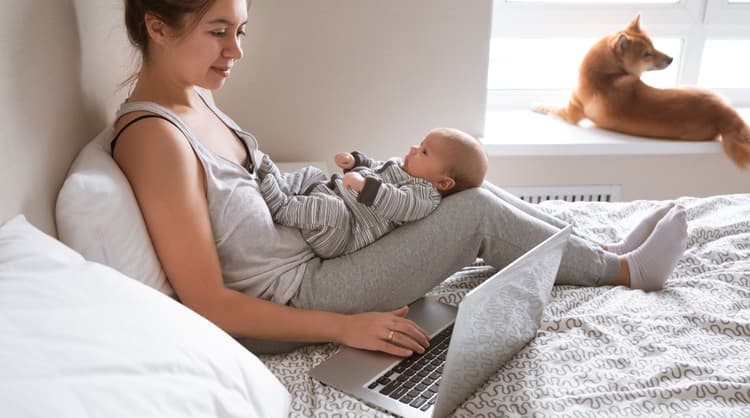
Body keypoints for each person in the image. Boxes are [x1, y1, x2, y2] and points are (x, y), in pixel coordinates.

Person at [111, 0, 688, 357]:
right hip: (300, 294)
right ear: (158, 27)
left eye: (242, 31)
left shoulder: (197, 101)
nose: (235, 51)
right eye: (218, 32)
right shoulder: (154, 139)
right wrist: (343, 328)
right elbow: (208, 302)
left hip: (318, 252)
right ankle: (623, 270)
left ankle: (598, 250)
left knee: (451, 179)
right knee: (473, 212)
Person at [256, 127, 488, 258]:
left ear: (444, 183)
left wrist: (362, 186)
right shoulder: (401, 166)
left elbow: (397, 203)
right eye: (420, 143)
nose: (413, 149)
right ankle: (281, 182)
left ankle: (281, 207)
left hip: (345, 232)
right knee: (311, 173)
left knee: (331, 211)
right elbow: (375, 166)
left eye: (424, 152)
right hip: (333, 191)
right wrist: (355, 161)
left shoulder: (425, 195)